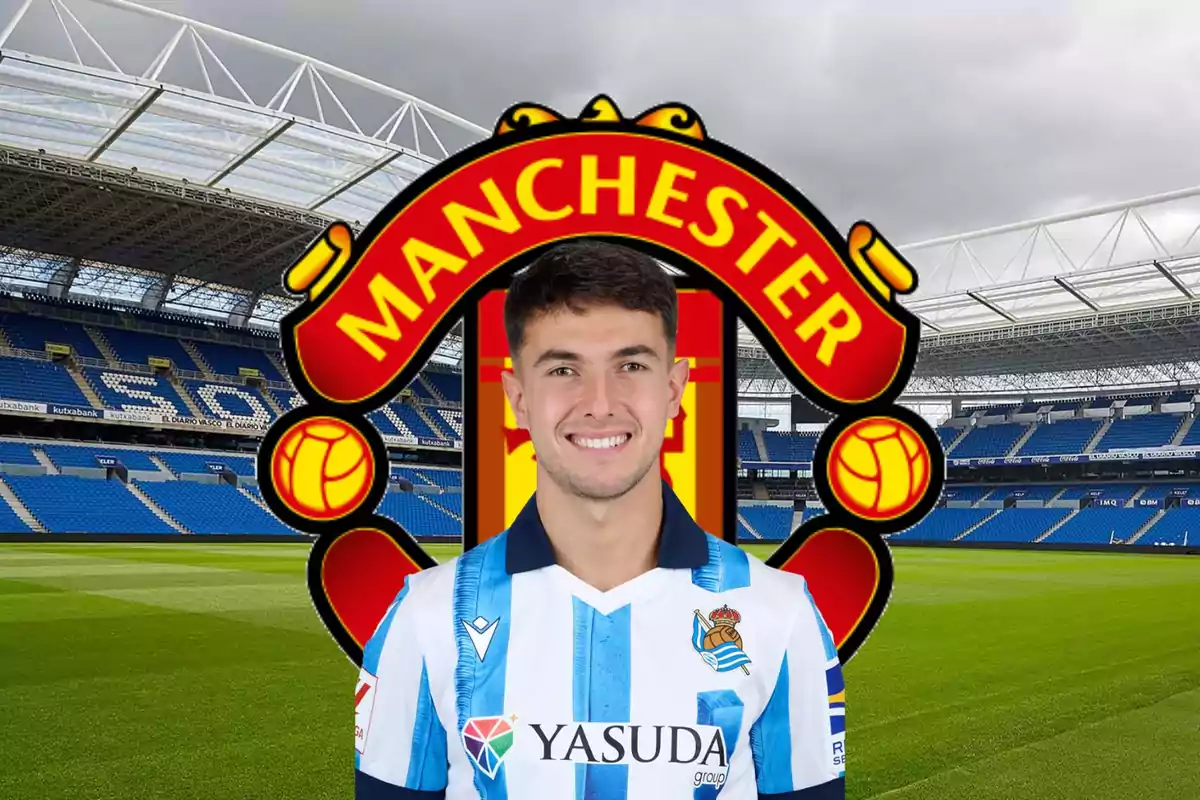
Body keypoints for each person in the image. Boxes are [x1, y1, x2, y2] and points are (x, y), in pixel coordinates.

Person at [354, 240, 846, 799]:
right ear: (517, 396)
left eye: (631, 365)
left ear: (675, 388)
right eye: (564, 368)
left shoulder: (779, 613)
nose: (600, 403)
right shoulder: (426, 616)